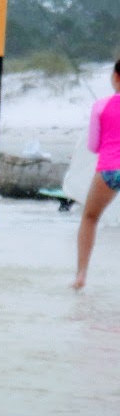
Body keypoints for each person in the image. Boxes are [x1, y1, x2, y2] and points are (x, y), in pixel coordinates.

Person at [72, 59, 120, 290]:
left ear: (116, 78)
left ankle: (81, 274)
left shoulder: (101, 106)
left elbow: (93, 145)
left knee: (90, 217)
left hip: (110, 169)